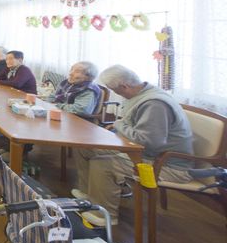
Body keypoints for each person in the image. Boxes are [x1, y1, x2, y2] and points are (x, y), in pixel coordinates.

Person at [73, 65, 194, 226]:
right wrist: (121, 127)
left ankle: (104, 215)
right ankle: (90, 195)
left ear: (124, 86)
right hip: (141, 152)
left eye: (115, 90)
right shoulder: (143, 93)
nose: (116, 94)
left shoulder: (154, 103)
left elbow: (148, 141)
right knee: (85, 147)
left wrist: (118, 124)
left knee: (104, 164)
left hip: (166, 164)